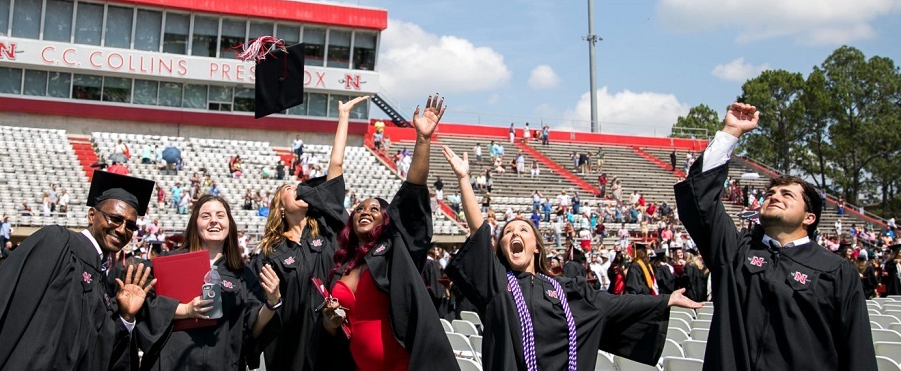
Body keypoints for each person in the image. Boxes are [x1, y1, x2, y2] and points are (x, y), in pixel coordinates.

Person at [442, 145, 702, 371]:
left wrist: (666, 300)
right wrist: (464, 178)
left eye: (523, 230)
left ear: (536, 248)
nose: (514, 233)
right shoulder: (498, 285)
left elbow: (613, 304)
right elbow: (479, 232)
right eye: (508, 232)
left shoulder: (567, 290)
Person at [674, 102, 876, 370]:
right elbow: (699, 201)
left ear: (809, 217)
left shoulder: (837, 272)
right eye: (770, 193)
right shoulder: (735, 253)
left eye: (786, 194)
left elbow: (857, 351)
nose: (774, 196)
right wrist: (731, 131)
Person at [0, 171, 163, 371]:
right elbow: (2, 294)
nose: (122, 229)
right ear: (92, 215)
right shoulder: (57, 242)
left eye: (131, 225)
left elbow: (99, 353)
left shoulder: (105, 286)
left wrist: (125, 318)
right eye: (115, 218)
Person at [315, 94, 458, 371]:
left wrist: (423, 140)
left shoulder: (394, 248)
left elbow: (413, 188)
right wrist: (330, 322)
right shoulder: (342, 264)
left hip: (402, 363)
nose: (365, 211)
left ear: (386, 219)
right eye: (359, 209)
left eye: (374, 209)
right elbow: (333, 184)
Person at [251, 96, 365, 371]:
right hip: (288, 348)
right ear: (279, 207)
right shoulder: (269, 253)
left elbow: (335, 170)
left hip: (330, 339)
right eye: (290, 189)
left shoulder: (328, 231)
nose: (298, 189)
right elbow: (256, 315)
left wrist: (343, 117)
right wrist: (273, 299)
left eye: (301, 187)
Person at [137, 195, 282, 370]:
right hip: (173, 362)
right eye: (206, 216)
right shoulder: (169, 263)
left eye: (221, 216)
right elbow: (144, 306)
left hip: (223, 364)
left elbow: (253, 328)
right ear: (195, 223)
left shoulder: (243, 274)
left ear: (230, 224)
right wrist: (185, 310)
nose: (214, 221)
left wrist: (272, 302)